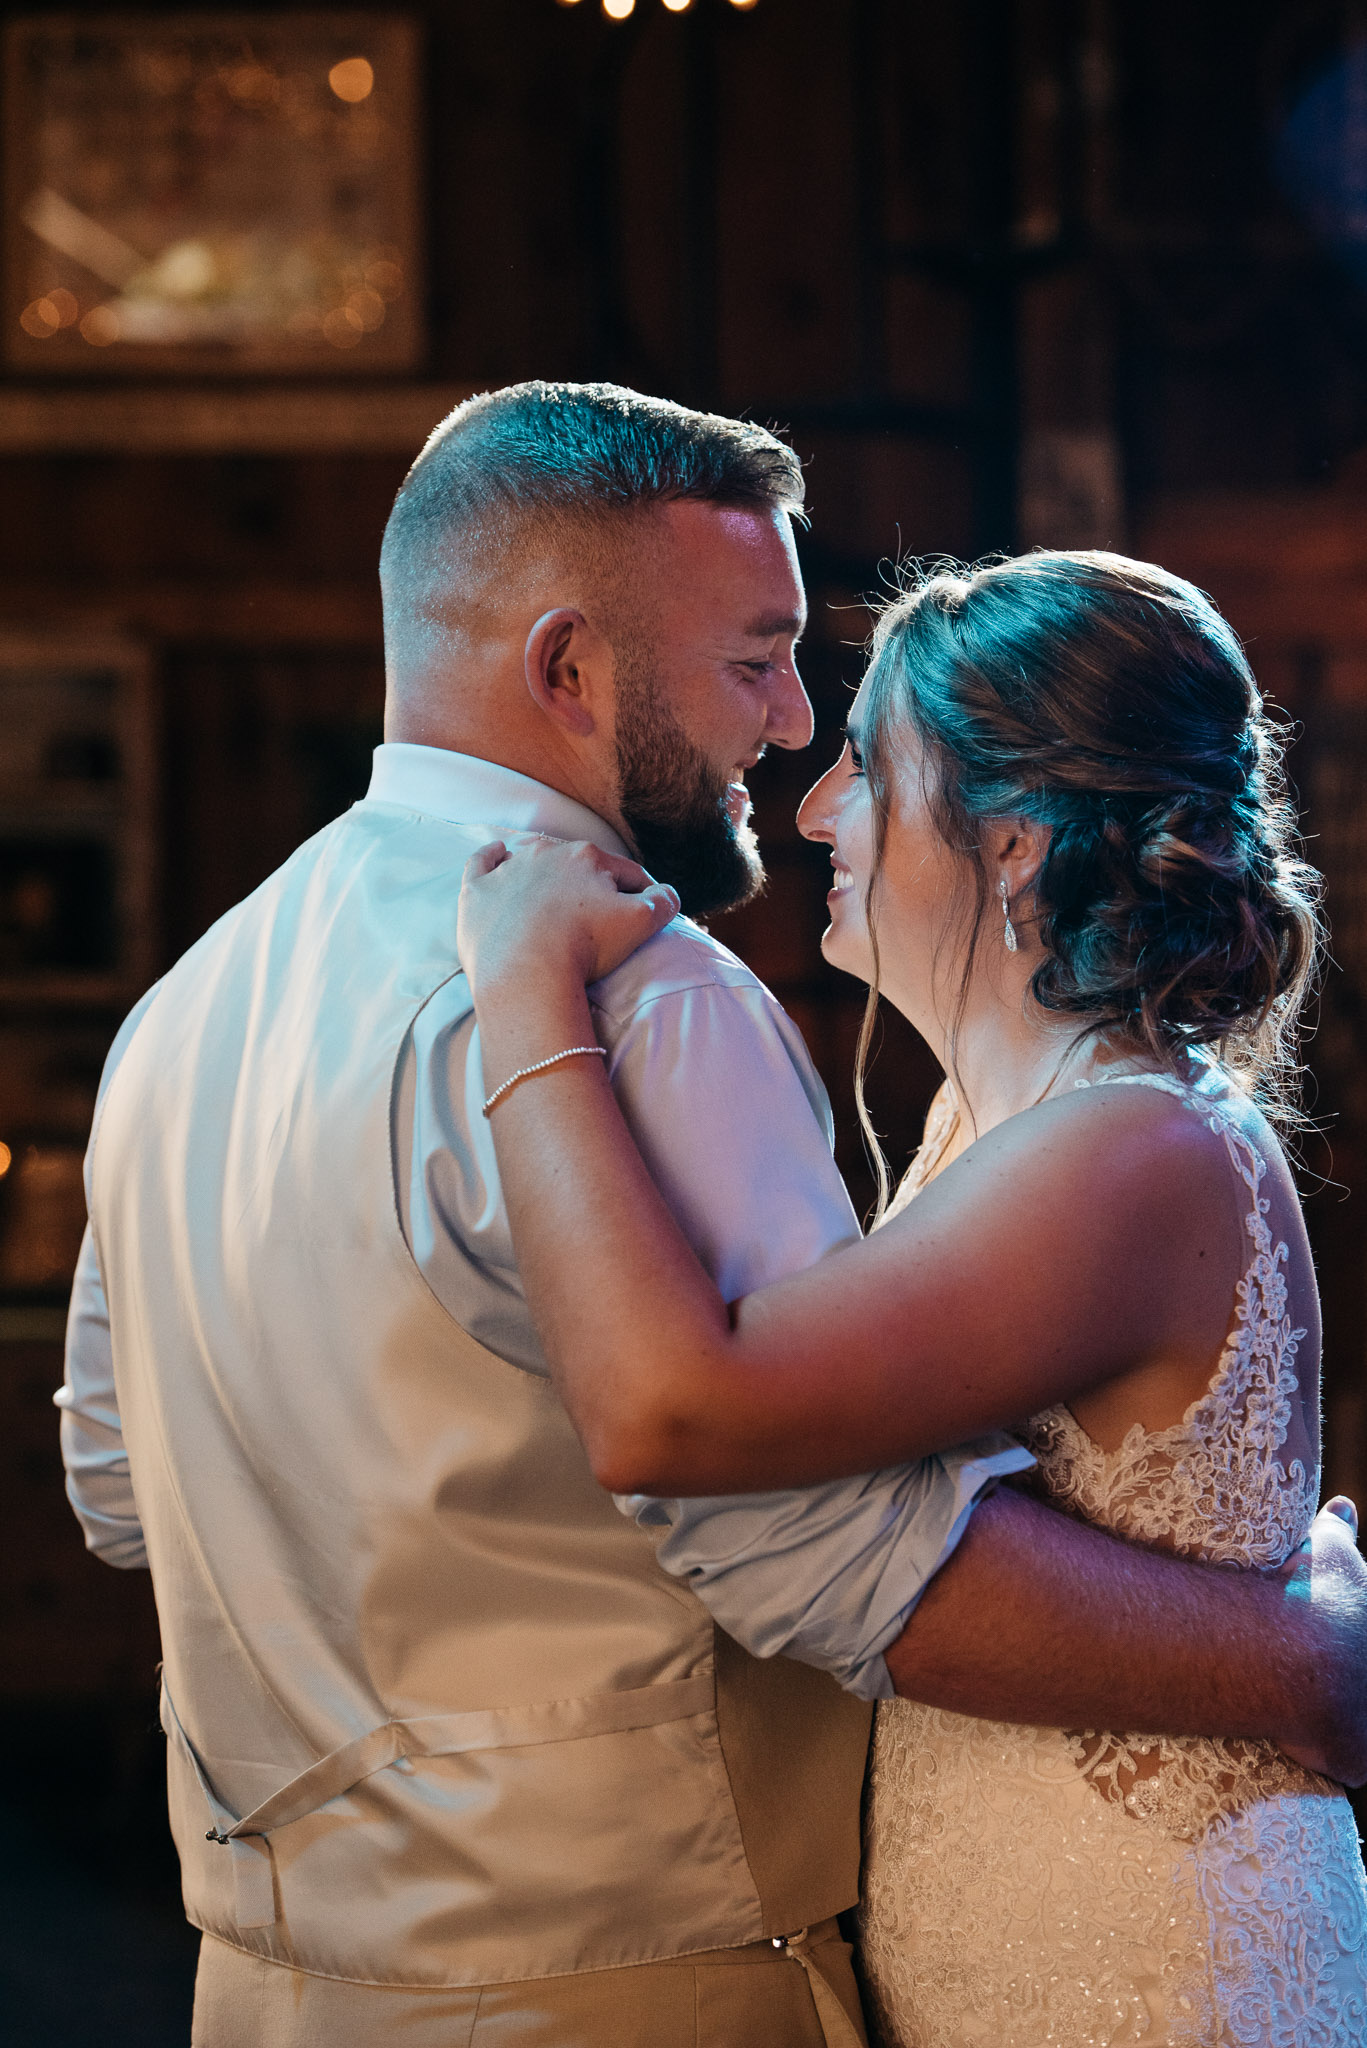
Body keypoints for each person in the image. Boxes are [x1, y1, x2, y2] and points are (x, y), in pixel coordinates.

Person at [57, 385, 1366, 2048]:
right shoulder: (649, 1001)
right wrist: (1307, 1668)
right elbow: (829, 1550)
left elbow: (120, 1479)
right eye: (756, 662)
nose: (793, 738)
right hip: (624, 1972)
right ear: (569, 669)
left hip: (266, 1985)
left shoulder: (189, 1003)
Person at [454, 546, 1367, 2045]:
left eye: (870, 767)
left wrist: (525, 1000)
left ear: (1009, 847)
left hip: (1139, 1956)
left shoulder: (1125, 1149)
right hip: (1021, 1924)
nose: (816, 807)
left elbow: (676, 1407)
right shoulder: (1015, 1122)